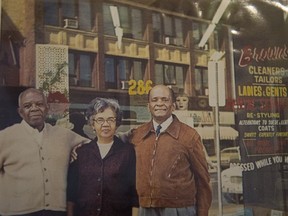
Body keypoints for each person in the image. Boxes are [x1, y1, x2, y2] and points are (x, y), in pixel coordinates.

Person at [0, 88, 90, 216]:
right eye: (27, 106)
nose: (34, 108)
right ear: (20, 112)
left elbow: (98, 144)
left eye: (39, 104)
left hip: (56, 212)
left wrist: (128, 135)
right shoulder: (4, 138)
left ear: (47, 108)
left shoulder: (64, 135)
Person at [128, 84, 212, 216]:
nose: (159, 103)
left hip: (179, 209)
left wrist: (202, 213)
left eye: (165, 99)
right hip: (145, 208)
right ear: (148, 106)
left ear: (173, 106)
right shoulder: (137, 135)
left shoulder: (189, 136)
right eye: (154, 100)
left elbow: (203, 180)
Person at [67, 97, 138, 216]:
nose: (105, 124)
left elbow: (134, 194)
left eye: (110, 119)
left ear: (117, 123)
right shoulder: (81, 153)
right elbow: (72, 194)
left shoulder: (128, 152)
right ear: (92, 124)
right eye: (100, 120)